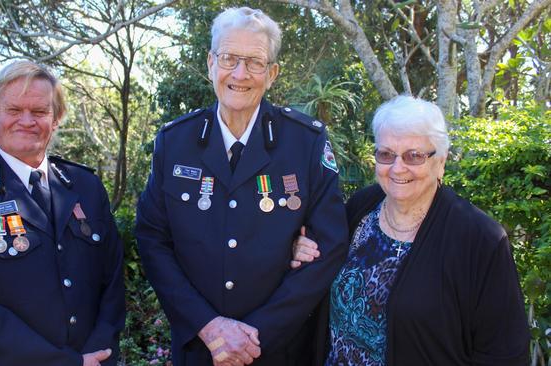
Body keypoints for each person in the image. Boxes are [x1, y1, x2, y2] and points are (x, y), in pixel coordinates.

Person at [135, 6, 349, 366]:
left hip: (279, 351)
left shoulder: (305, 142)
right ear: (210, 64)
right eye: (229, 58)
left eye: (254, 62)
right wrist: (209, 326)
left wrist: (255, 335)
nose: (240, 73)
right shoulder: (175, 142)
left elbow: (329, 245)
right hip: (200, 350)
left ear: (272, 73)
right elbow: (152, 240)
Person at [291, 95, 531, 365]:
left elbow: (504, 352)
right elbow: (325, 260)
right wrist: (306, 250)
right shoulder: (361, 207)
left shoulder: (480, 240)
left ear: (440, 161)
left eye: (414, 156)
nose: (397, 168)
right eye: (386, 154)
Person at [0, 60, 125, 366]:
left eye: (40, 112)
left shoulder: (86, 187)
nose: (27, 121)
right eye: (14, 110)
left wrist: (98, 352)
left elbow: (111, 282)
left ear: (56, 119)